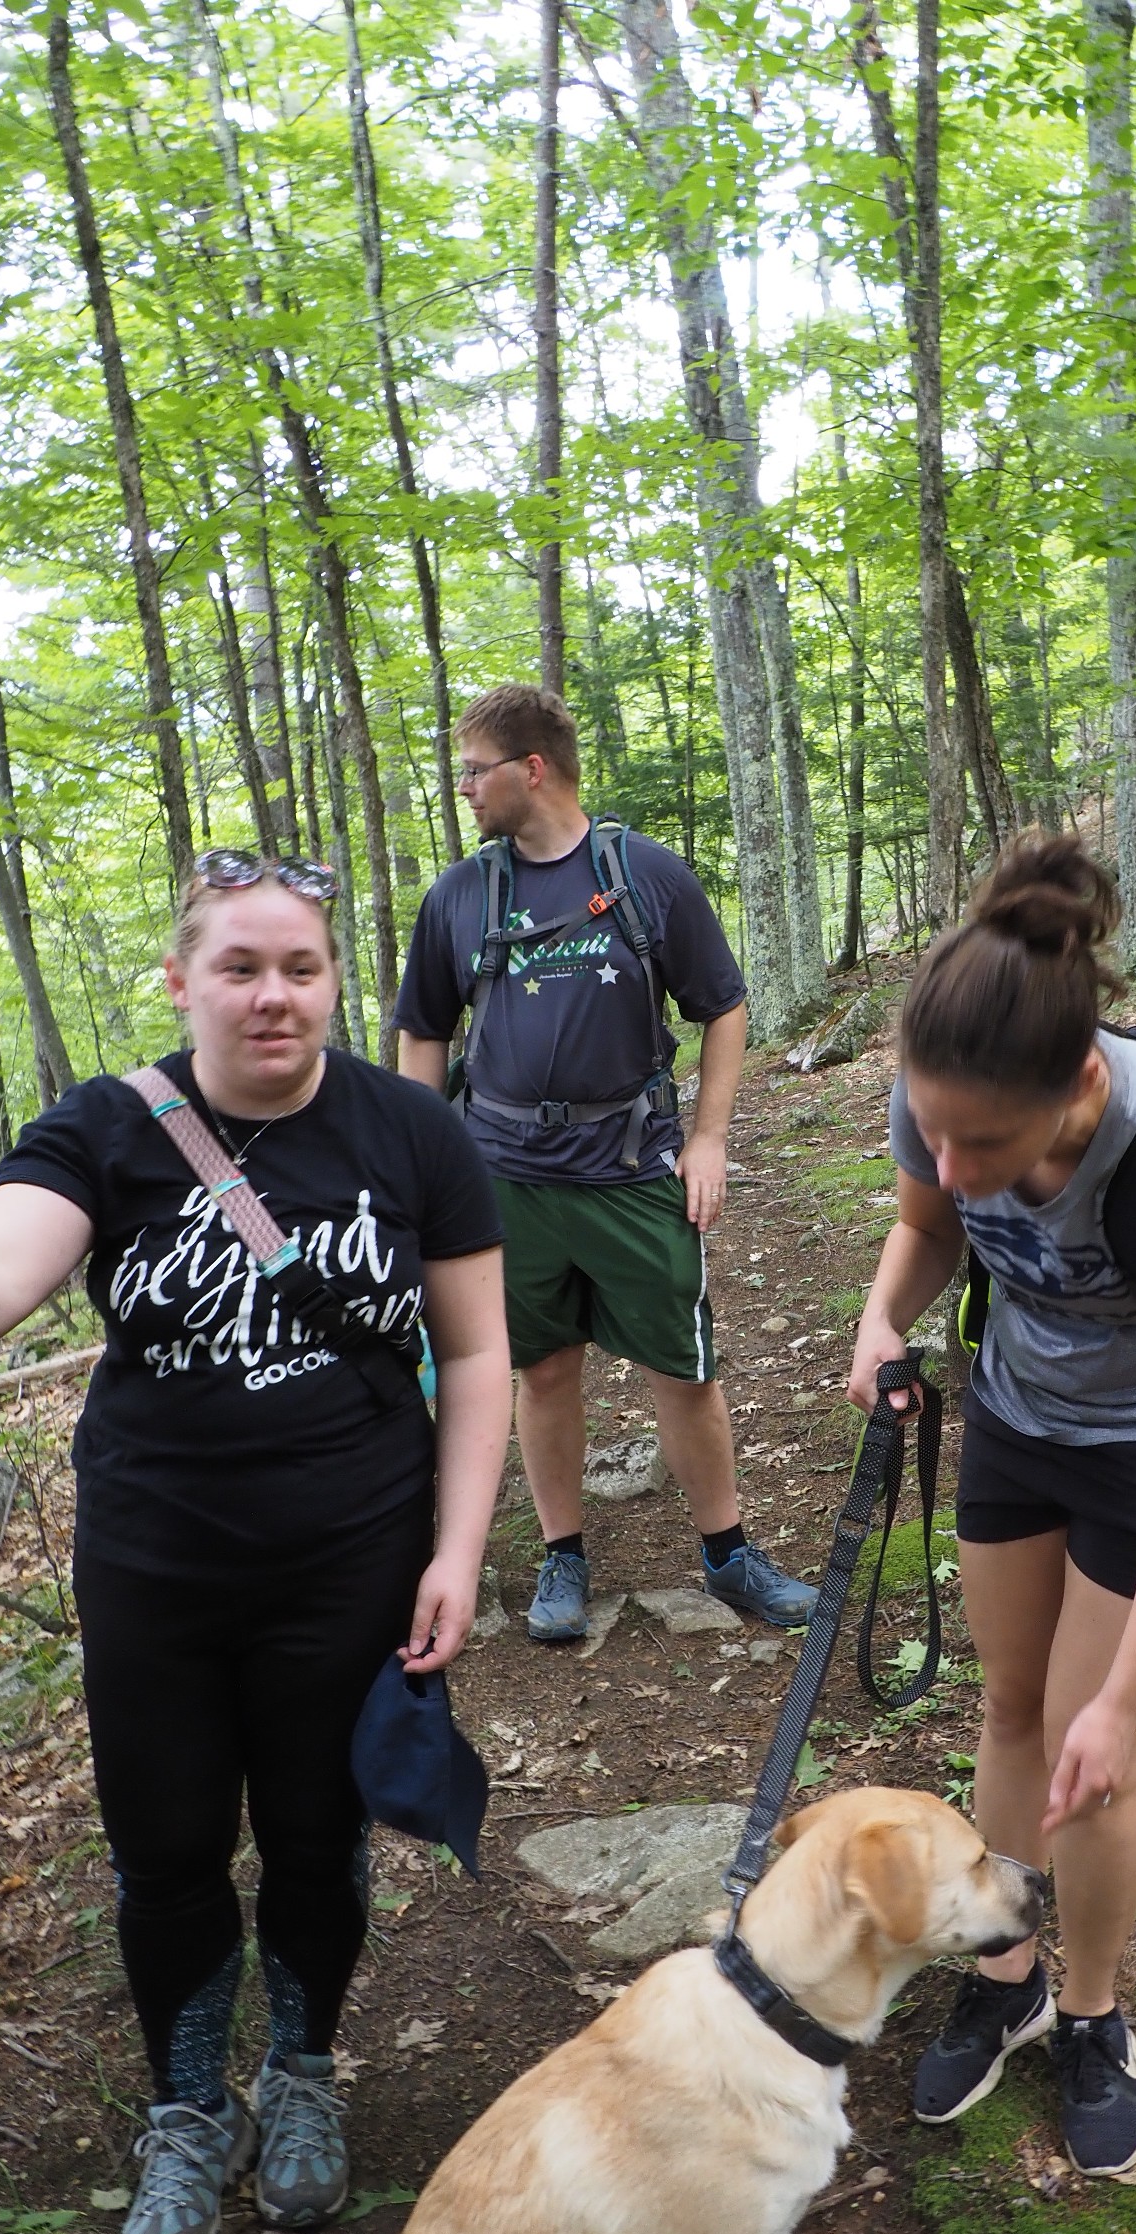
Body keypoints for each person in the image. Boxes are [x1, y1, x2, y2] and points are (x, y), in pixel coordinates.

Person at [0, 851, 513, 2234]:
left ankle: (305, 2073)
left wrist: (458, 1548)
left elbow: (474, 1352)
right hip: (156, 1567)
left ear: (334, 980)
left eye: (301, 969)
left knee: (318, 1834)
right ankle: (189, 2108)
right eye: (239, 968)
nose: (274, 997)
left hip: (352, 1558)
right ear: (182, 980)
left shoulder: (412, 1132)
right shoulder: (107, 1129)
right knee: (168, 1848)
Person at [845, 835, 1136, 2178]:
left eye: (985, 1143)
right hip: (1017, 1418)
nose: (951, 1160)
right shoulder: (941, 1098)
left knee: (1097, 1754)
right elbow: (928, 1228)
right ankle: (1006, 1974)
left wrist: (1129, 1701)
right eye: (934, 1130)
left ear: (1077, 1085)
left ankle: (1091, 2010)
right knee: (1013, 1709)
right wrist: (880, 1318)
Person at [394, 682, 815, 1640]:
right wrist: (426, 1164)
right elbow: (423, 1031)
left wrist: (708, 1138)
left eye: (475, 770)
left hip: (632, 1172)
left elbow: (723, 1007)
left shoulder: (646, 875)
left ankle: (729, 1557)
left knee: (683, 1371)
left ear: (532, 768)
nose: (464, 787)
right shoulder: (462, 894)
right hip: (506, 1181)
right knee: (542, 1372)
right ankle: (564, 1560)